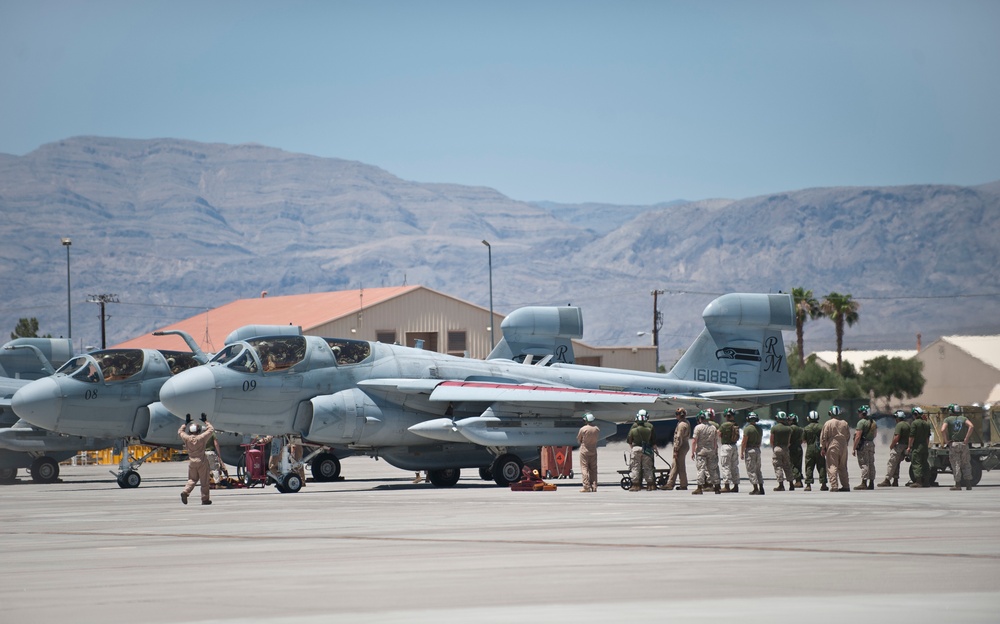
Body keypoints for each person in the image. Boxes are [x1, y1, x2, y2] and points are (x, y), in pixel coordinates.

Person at [178, 414, 216, 505]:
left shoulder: (187, 438)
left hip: (192, 462)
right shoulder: (201, 438)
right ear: (198, 430)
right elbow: (211, 429)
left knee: (192, 479)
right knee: (204, 482)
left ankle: (186, 491)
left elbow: (180, 431)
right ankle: (205, 499)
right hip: (201, 461)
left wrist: (185, 423)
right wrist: (205, 421)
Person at [941, 404, 975, 490]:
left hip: (954, 444)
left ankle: (958, 484)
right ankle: (968, 484)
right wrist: (966, 438)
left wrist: (946, 440)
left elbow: (942, 429)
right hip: (963, 444)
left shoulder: (947, 419)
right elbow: (971, 426)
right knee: (966, 463)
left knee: (956, 464)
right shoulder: (963, 418)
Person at [820, 405, 851, 492]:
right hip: (843, 445)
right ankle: (845, 485)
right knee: (843, 466)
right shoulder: (845, 423)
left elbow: (824, 437)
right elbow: (848, 436)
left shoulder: (828, 423)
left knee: (832, 465)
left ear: (830, 413)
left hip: (833, 444)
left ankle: (834, 486)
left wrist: (823, 448)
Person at [691, 410, 721, 494]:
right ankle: (717, 487)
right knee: (713, 469)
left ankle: (699, 488)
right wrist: (714, 450)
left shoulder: (698, 427)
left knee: (701, 469)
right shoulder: (713, 428)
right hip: (711, 451)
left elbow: (694, 441)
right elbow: (715, 441)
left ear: (701, 418)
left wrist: (692, 452)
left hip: (701, 451)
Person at [878, 410, 910, 487]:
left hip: (899, 446)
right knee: (897, 463)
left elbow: (897, 437)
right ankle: (895, 480)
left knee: (892, 463)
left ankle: (887, 480)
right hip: (905, 445)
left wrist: (892, 445)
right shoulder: (907, 425)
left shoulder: (899, 425)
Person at [627, 409, 656, 491]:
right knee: (648, 467)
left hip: (636, 449)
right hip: (647, 449)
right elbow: (653, 440)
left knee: (635, 467)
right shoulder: (649, 428)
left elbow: (629, 440)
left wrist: (633, 449)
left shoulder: (633, 429)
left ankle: (636, 485)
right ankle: (650, 485)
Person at [662, 408, 690, 490]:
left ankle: (670, 484)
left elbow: (678, 437)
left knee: (676, 465)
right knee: (679, 465)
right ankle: (683, 484)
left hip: (680, 446)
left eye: (677, 414)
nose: (676, 416)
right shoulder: (686, 422)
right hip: (685, 444)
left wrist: (676, 450)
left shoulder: (681, 425)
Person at [802, 410, 828, 491]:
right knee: (821, 466)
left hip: (809, 449)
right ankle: (823, 484)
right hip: (819, 448)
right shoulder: (822, 427)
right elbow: (825, 438)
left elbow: (803, 439)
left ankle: (808, 485)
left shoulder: (806, 428)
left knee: (809, 466)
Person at [906, 407, 932, 487]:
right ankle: (927, 481)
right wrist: (926, 446)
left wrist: (909, 446)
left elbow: (912, 436)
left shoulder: (915, 423)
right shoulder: (927, 423)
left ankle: (918, 481)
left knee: (916, 463)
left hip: (917, 446)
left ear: (915, 414)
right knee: (925, 463)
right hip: (924, 446)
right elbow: (928, 437)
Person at [852, 405, 877, 490]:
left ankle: (864, 483)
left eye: (860, 412)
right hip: (871, 443)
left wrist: (854, 448)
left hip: (863, 445)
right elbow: (875, 434)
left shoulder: (861, 422)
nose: (859, 413)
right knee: (871, 463)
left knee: (864, 463)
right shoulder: (873, 422)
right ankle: (871, 483)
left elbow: (858, 436)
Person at [741, 412, 764, 495]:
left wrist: (742, 452)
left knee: (751, 470)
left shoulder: (747, 429)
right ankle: (761, 487)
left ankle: (755, 488)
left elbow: (744, 442)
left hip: (750, 450)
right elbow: (760, 440)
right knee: (758, 470)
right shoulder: (759, 429)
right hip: (757, 449)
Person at [770, 411, 794, 491]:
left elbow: (771, 440)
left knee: (778, 466)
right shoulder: (789, 429)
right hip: (785, 448)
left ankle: (781, 484)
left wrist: (773, 447)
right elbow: (789, 441)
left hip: (777, 448)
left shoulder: (774, 428)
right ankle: (791, 484)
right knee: (787, 465)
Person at [577, 412, 600, 492]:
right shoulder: (596, 429)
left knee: (584, 468)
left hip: (584, 450)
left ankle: (586, 486)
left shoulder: (583, 429)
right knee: (593, 469)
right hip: (593, 450)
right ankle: (594, 486)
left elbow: (579, 439)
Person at [718, 408, 741, 493]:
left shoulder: (724, 425)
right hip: (734, 446)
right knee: (734, 466)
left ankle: (726, 486)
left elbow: (719, 434)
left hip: (726, 447)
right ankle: (736, 485)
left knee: (725, 466)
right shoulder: (736, 424)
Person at [788, 413, 804, 488]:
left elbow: (789, 438)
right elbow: (802, 440)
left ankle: (798, 481)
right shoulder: (800, 429)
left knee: (793, 465)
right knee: (798, 464)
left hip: (792, 447)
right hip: (799, 447)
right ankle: (799, 479)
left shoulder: (790, 428)